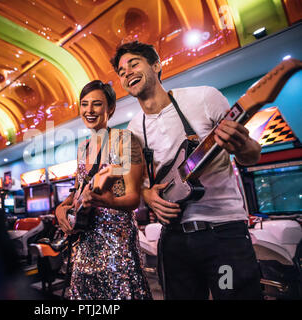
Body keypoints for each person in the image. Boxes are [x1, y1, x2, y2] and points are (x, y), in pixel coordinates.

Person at [110, 41, 263, 300]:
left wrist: (241, 143)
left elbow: (252, 156)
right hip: (174, 240)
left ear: (156, 66)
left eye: (134, 64)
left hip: (223, 235)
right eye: (121, 72)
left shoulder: (204, 97)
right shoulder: (133, 129)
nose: (127, 73)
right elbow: (133, 186)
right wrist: (148, 196)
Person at [55, 80, 152, 300]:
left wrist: (108, 202)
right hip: (85, 244)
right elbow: (79, 189)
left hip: (117, 245)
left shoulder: (124, 140)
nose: (89, 110)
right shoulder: (83, 148)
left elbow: (133, 199)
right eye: (84, 104)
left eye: (96, 104)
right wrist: (62, 207)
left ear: (111, 108)